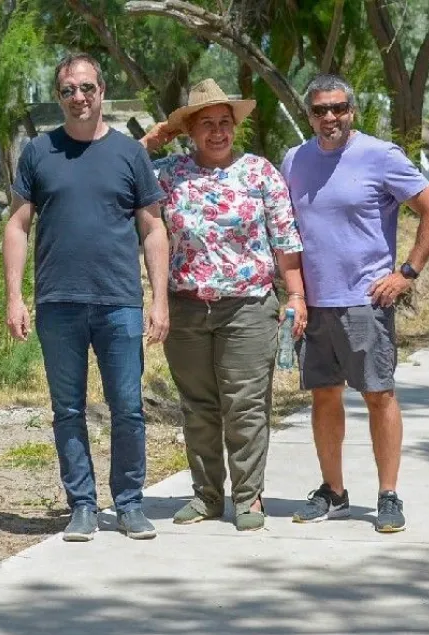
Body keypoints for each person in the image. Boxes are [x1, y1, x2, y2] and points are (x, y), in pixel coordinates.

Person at [3, 53, 169, 542]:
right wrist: (15, 297)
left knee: (128, 407)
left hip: (120, 301)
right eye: (68, 91)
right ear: (59, 97)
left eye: (87, 88)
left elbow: (153, 227)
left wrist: (159, 299)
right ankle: (82, 505)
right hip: (58, 303)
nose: (79, 98)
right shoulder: (38, 151)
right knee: (68, 410)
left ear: (102, 90)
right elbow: (16, 225)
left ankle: (130, 503)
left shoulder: (130, 154)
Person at [280, 73, 429, 532]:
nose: (329, 117)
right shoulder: (294, 160)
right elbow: (285, 231)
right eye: (319, 110)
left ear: (351, 110)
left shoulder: (380, 156)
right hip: (315, 304)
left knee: (379, 395)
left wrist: (406, 272)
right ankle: (333, 492)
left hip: (364, 302)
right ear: (309, 115)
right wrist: (294, 294)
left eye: (338, 108)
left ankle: (388, 496)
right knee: (324, 396)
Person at [138, 79, 307, 532]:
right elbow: (116, 172)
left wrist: (295, 295)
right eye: (207, 124)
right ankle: (207, 496)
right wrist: (153, 140)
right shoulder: (168, 174)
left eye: (225, 123)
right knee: (198, 406)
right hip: (186, 307)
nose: (217, 132)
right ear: (191, 131)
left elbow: (285, 241)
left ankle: (249, 497)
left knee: (246, 404)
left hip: (248, 307)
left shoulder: (259, 173)